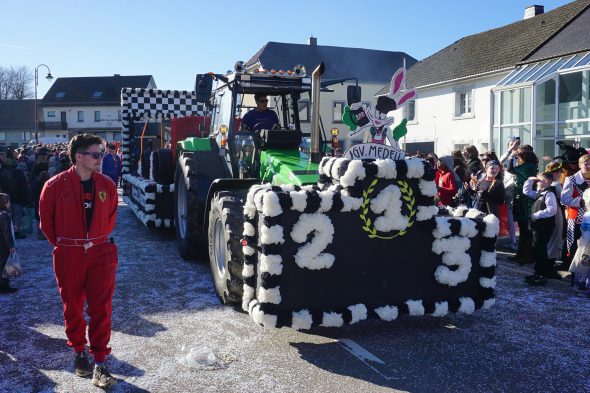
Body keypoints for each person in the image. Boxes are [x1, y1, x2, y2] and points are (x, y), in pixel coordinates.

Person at [39, 134, 119, 388]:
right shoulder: (54, 186)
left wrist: (94, 240)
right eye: (96, 154)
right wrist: (68, 245)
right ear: (79, 157)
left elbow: (111, 219)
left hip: (100, 251)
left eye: (102, 154)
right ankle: (79, 352)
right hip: (68, 253)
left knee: (101, 307)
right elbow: (46, 225)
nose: (100, 159)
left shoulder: (107, 185)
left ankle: (100, 361)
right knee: (72, 305)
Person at [523, 172, 558, 286]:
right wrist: (529, 180)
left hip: (544, 227)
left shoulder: (549, 194)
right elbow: (526, 191)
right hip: (537, 226)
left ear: (546, 182)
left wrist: (536, 215)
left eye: (539, 180)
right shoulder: (540, 193)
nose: (536, 182)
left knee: (540, 250)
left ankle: (541, 274)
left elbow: (552, 210)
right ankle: (538, 273)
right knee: (536, 249)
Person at [507, 146, 538, 264]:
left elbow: (510, 169)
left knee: (526, 228)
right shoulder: (531, 165)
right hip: (522, 199)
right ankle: (521, 254)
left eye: (518, 156)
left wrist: (511, 156)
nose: (518, 158)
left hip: (526, 200)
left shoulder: (528, 166)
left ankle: (527, 256)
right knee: (523, 228)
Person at [560, 154, 590, 273]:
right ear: (579, 165)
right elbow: (564, 199)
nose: (588, 166)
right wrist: (582, 202)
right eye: (585, 163)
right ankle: (575, 272)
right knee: (575, 246)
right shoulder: (571, 179)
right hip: (577, 218)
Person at [0, 193, 17, 294]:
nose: (10, 203)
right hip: (4, 245)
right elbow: (6, 232)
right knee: (4, 266)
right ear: (4, 202)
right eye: (9, 201)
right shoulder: (5, 216)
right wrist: (11, 246)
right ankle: (4, 286)